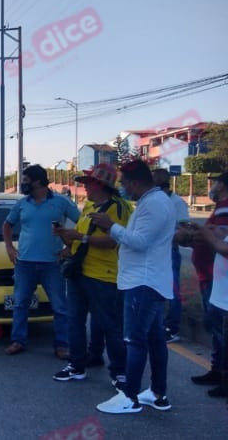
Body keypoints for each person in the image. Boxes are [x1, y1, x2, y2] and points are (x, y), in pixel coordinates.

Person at [90, 159, 176, 414]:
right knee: (154, 339)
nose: (124, 188)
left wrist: (111, 226)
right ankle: (157, 393)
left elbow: (139, 241)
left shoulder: (155, 205)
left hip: (143, 282)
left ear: (136, 182)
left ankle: (130, 397)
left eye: (125, 184)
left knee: (134, 340)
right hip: (146, 280)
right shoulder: (152, 201)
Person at [52, 164, 132, 388]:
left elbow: (113, 241)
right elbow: (81, 237)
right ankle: (76, 365)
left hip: (104, 275)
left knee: (110, 325)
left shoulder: (118, 208)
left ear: (100, 185)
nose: (84, 187)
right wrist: (67, 240)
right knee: (75, 321)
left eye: (88, 183)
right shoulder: (88, 206)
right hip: (80, 271)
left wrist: (79, 237)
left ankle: (119, 372)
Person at [2, 164, 81, 359]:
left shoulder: (61, 202)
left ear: (38, 181)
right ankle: (18, 341)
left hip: (51, 264)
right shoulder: (22, 204)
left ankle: (61, 345)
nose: (23, 184)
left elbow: (82, 222)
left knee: (60, 306)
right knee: (20, 304)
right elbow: (7, 224)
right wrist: (10, 248)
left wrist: (70, 248)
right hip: (25, 263)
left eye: (26, 181)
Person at [188, 171, 228, 396]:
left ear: (222, 185)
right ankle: (217, 370)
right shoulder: (222, 206)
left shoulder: (224, 208)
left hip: (217, 278)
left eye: (215, 182)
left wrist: (201, 231)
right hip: (212, 275)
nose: (211, 187)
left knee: (220, 329)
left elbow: (222, 241)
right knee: (217, 329)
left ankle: (222, 376)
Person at [152, 168, 190, 343]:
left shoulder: (177, 203)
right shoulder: (154, 201)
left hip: (170, 252)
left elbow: (183, 231)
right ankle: (160, 324)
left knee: (173, 291)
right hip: (155, 253)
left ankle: (172, 329)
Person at [191, 221, 228, 402]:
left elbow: (224, 248)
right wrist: (218, 232)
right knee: (219, 339)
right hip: (220, 296)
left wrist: (209, 235)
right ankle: (218, 373)